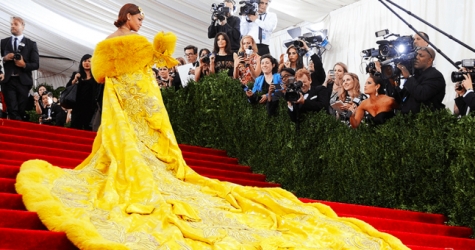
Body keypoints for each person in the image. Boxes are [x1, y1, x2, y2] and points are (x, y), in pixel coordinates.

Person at [16, 4, 409, 249]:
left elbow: (102, 75)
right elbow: (124, 72)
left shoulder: (114, 43)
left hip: (129, 95)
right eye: (139, 17)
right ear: (128, 16)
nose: (142, 21)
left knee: (137, 144)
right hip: (138, 94)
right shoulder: (129, 40)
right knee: (143, 144)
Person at [0, 16, 39, 120]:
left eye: (15, 24)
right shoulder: (3, 42)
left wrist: (24, 65)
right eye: (11, 24)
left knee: (21, 109)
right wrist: (4, 58)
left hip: (23, 81)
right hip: (8, 81)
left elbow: (36, 64)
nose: (12, 26)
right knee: (12, 108)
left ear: (23, 26)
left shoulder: (31, 44)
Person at [397, 47, 445, 114]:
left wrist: (409, 77)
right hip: (407, 121)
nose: (416, 57)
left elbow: (422, 95)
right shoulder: (416, 75)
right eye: (416, 55)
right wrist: (392, 82)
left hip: (425, 121)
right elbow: (401, 97)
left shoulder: (436, 76)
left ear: (430, 60)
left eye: (421, 55)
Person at [66, 54, 99, 130]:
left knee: (88, 128)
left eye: (89, 61)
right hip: (78, 105)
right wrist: (75, 79)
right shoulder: (76, 74)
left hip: (91, 106)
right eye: (85, 61)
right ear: (81, 62)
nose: (87, 63)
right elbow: (68, 87)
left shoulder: (96, 76)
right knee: (75, 127)